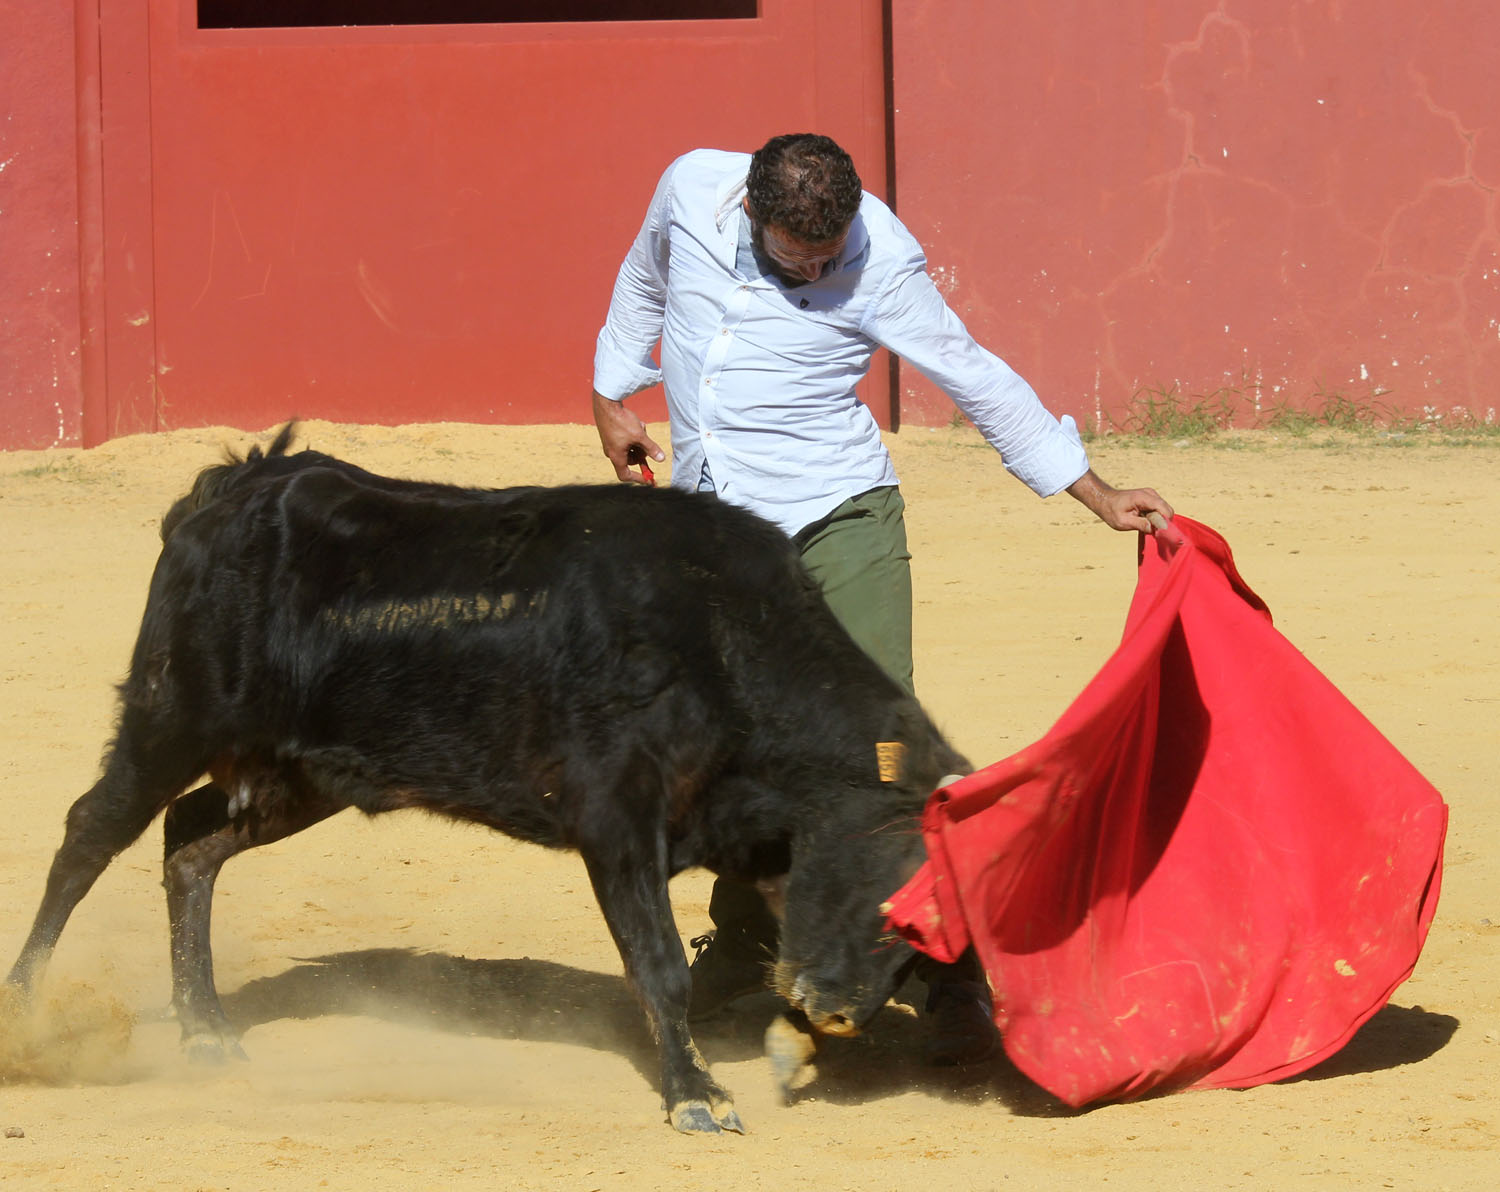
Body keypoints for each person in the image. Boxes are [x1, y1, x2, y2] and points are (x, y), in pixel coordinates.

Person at [590, 132, 1173, 1065]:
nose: (823, 267)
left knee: (880, 756)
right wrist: (615, 388)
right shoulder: (691, 187)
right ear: (751, 211)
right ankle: (746, 941)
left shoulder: (884, 262)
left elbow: (977, 377)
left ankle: (950, 979)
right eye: (801, 256)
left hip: (838, 519)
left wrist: (1095, 493)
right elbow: (644, 271)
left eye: (832, 252)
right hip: (719, 543)